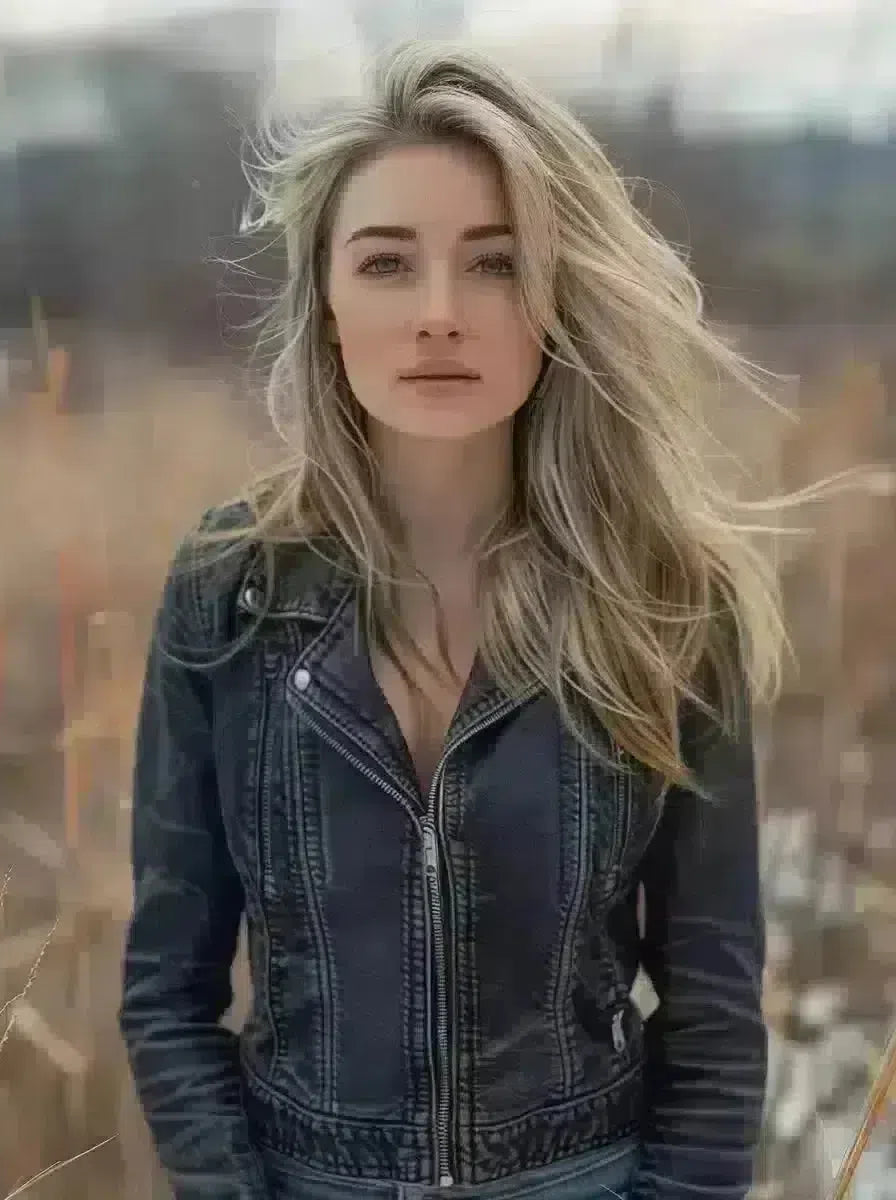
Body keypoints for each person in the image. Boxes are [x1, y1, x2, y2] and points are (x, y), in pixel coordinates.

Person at [119, 40, 789, 1200]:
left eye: (493, 265)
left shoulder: (666, 598)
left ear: (556, 293)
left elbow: (715, 1015)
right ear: (326, 303)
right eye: (387, 264)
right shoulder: (230, 591)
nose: (439, 314)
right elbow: (167, 997)